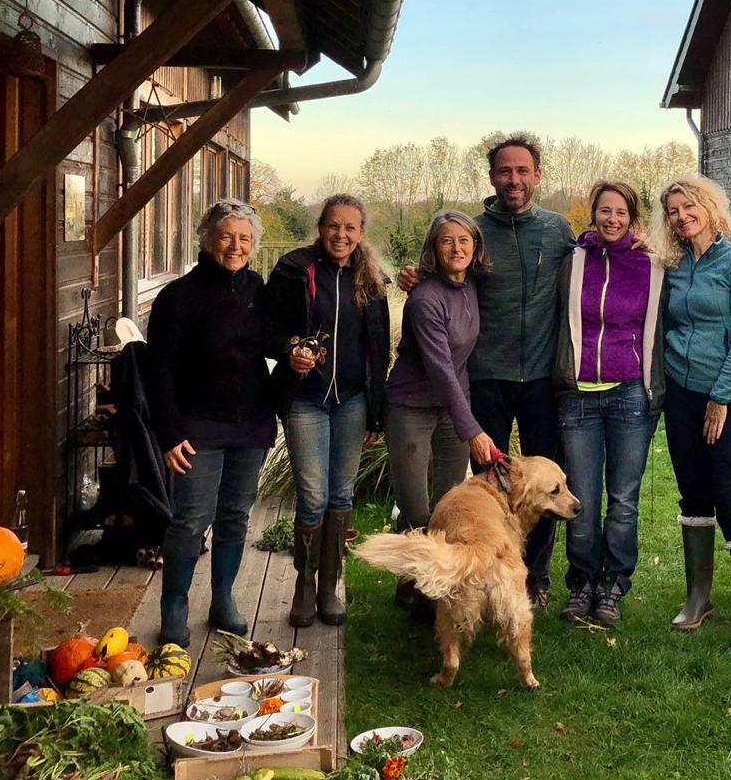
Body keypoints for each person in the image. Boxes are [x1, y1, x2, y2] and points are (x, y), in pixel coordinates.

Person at [399, 136, 574, 613]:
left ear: (538, 175)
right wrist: (412, 277)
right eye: (504, 171)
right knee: (486, 491)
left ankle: (532, 577)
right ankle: (468, 577)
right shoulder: (472, 232)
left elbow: (596, 259)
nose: (513, 180)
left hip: (541, 379)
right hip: (484, 379)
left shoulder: (559, 230)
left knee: (545, 488)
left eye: (523, 171)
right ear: (492, 177)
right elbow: (443, 272)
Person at [653, 173, 731, 660]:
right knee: (693, 493)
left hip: (729, 398)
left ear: (710, 206)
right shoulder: (674, 264)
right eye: (673, 211)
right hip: (682, 395)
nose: (682, 216)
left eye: (689, 206)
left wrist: (721, 396)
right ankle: (698, 597)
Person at [148, 199, 275, 646]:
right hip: (196, 426)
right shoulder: (177, 297)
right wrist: (169, 433)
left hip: (251, 424)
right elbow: (157, 371)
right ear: (206, 239)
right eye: (226, 236)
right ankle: (175, 605)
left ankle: (223, 598)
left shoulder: (258, 288)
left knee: (235, 516)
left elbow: (278, 335)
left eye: (245, 239)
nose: (235, 246)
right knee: (190, 519)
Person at [264, 194, 392, 629]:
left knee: (341, 494)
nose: (341, 235)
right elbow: (266, 329)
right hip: (306, 400)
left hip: (353, 401)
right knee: (314, 494)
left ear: (361, 233)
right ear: (321, 228)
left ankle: (330, 587)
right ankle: (303, 584)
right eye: (334, 226)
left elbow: (379, 352)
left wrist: (377, 414)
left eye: (350, 228)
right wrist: (289, 350)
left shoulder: (371, 279)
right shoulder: (295, 270)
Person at [551, 180, 666, 627]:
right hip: (578, 396)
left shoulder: (651, 265)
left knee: (623, 500)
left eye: (621, 213)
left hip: (630, 396)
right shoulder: (574, 261)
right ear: (593, 214)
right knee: (579, 499)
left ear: (632, 218)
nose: (612, 219)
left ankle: (613, 585)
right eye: (605, 211)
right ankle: (582, 584)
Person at [384, 210, 495, 610]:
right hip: (411, 406)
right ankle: (409, 585)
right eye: (447, 240)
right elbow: (440, 369)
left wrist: (462, 421)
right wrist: (474, 431)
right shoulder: (424, 299)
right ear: (433, 247)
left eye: (464, 240)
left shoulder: (471, 287)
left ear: (476, 246)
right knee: (416, 509)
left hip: (451, 409)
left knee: (447, 508)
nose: (456, 248)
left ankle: (435, 590)